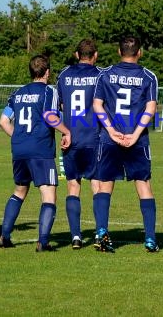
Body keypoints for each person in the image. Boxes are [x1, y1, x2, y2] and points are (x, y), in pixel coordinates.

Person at [92, 36, 159, 253]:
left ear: (118, 51)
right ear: (139, 52)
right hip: (137, 140)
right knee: (144, 186)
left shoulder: (105, 74)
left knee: (104, 185)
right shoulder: (149, 77)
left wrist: (111, 130)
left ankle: (102, 233)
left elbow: (97, 106)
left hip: (110, 139)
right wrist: (135, 134)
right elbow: (150, 109)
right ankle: (150, 239)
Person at [0, 55, 71, 252]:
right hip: (40, 150)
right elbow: (49, 116)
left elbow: (3, 121)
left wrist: (19, 137)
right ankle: (43, 242)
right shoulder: (49, 92)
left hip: (19, 149)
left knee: (19, 191)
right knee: (48, 195)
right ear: (47, 72)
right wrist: (66, 131)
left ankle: (4, 237)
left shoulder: (17, 93)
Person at [56, 39, 102, 249]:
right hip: (94, 137)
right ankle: (100, 234)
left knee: (73, 186)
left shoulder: (64, 75)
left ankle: (75, 236)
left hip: (70, 137)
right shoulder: (100, 75)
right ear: (95, 55)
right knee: (97, 185)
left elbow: (62, 105)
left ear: (76, 54)